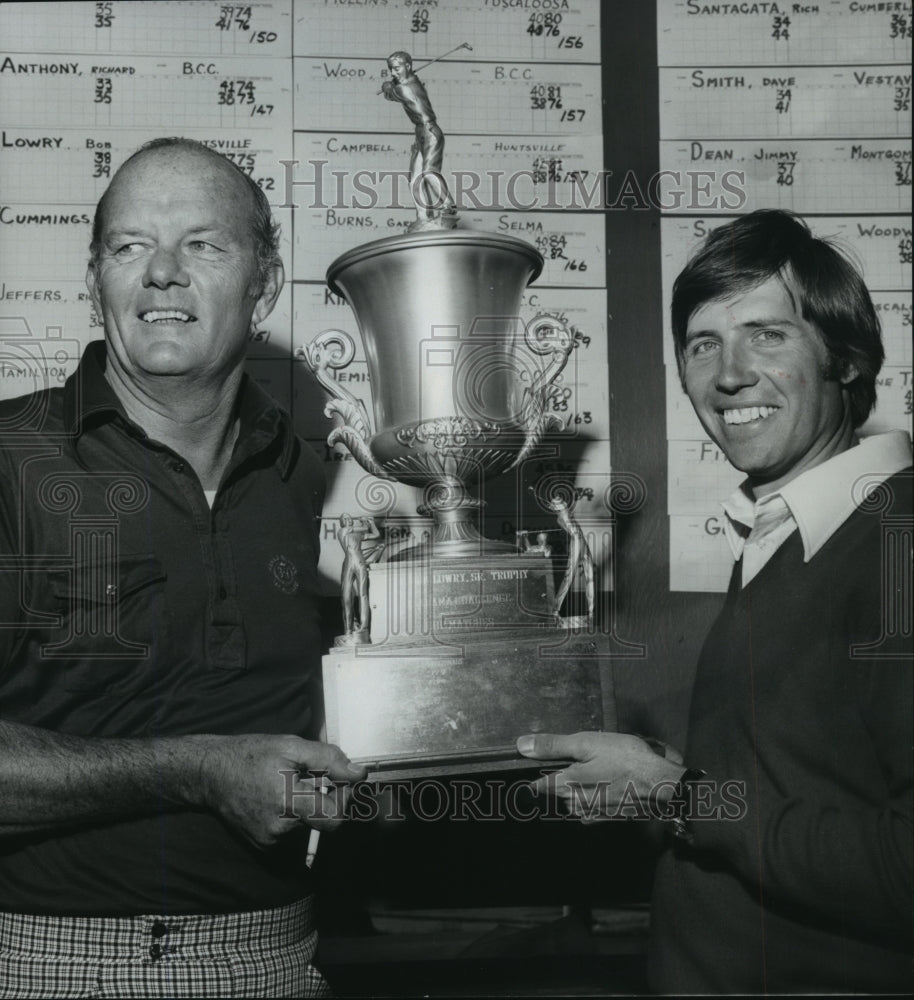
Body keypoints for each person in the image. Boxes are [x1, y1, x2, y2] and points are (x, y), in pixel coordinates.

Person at [0, 138, 366, 998]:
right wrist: (196, 768)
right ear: (97, 281)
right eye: (130, 247)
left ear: (265, 285)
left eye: (203, 244)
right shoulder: (12, 460)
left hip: (281, 958)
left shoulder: (301, 472)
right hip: (51, 964)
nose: (162, 272)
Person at [517, 210, 913, 993]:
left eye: (768, 334)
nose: (728, 374)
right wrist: (676, 785)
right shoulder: (795, 527)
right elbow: (815, 780)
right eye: (703, 345)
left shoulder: (896, 545)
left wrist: (681, 797)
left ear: (846, 358)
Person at [381, 50, 457, 229]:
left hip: (430, 132)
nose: (393, 73)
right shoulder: (411, 80)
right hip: (421, 133)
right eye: (391, 70)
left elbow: (391, 93)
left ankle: (449, 206)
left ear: (408, 66)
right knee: (415, 178)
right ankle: (424, 216)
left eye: (397, 68)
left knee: (429, 172)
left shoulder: (406, 88)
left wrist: (386, 86)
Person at [337, 513, 385, 642]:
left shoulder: (357, 534)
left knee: (363, 594)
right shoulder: (342, 531)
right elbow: (363, 528)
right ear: (342, 522)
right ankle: (348, 629)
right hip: (348, 563)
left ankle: (363, 627)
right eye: (345, 518)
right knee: (346, 596)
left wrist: (372, 522)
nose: (349, 520)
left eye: (349, 517)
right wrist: (365, 522)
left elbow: (376, 535)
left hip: (359, 562)